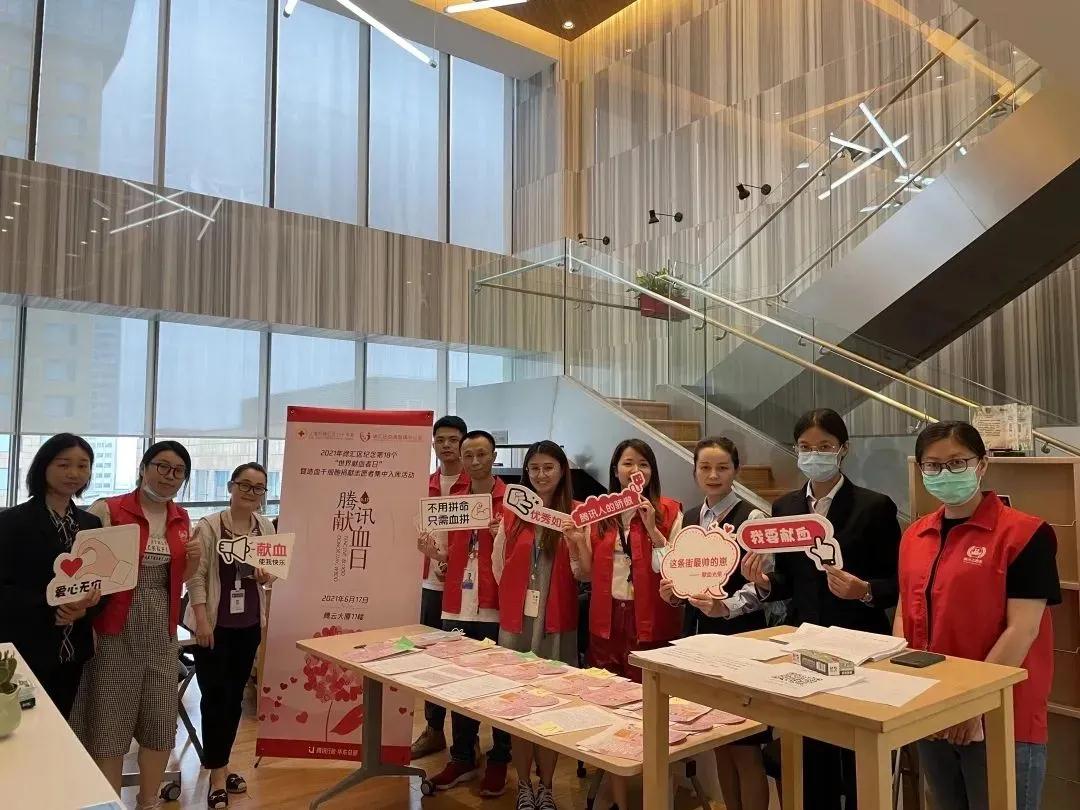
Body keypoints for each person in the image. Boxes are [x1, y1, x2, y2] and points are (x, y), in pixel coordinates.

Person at [742, 408, 900, 810]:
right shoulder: (785, 508)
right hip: (806, 647)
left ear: (843, 449)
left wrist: (864, 590)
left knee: (861, 761)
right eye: (806, 447)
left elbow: (896, 583)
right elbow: (789, 580)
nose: (815, 454)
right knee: (812, 756)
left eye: (825, 446)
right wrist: (765, 583)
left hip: (861, 648)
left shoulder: (874, 506)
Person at [897, 421, 1059, 810]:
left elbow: (1023, 630)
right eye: (932, 465)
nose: (944, 473)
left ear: (982, 464)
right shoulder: (915, 535)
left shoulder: (1025, 534)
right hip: (932, 709)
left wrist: (975, 704)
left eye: (957, 463)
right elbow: (905, 615)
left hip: (1001, 713)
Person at [70, 441, 198, 810]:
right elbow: (86, 570)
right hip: (114, 627)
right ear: (143, 467)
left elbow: (180, 578)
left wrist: (194, 561)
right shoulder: (109, 509)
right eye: (162, 466)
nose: (170, 476)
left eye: (178, 471)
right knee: (109, 721)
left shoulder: (181, 518)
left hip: (162, 628)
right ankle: (110, 804)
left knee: (160, 721)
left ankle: (149, 802)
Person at [659, 437, 771, 810]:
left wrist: (727, 607)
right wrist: (673, 593)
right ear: (694, 471)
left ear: (736, 471)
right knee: (719, 739)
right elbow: (682, 575)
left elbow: (763, 586)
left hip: (741, 638)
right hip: (700, 639)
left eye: (722, 467)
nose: (713, 475)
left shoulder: (753, 519)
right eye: (705, 467)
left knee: (746, 746)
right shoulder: (689, 519)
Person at [573, 439, 683, 810]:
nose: (635, 470)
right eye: (627, 463)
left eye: (643, 464)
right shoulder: (599, 513)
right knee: (609, 704)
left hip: (652, 621)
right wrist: (576, 542)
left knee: (652, 709)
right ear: (615, 470)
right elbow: (586, 572)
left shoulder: (670, 510)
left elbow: (674, 569)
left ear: (653, 471)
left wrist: (652, 528)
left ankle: (656, 790)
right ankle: (616, 794)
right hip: (605, 621)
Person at [493, 441, 588, 810]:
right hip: (518, 623)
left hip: (557, 621)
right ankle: (523, 785)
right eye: (534, 468)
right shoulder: (513, 514)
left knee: (552, 705)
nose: (541, 474)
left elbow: (585, 573)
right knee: (517, 707)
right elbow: (498, 565)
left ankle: (546, 786)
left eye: (549, 467)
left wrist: (576, 543)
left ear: (562, 470)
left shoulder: (577, 514)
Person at [423, 431, 512, 797]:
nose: (475, 461)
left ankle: (500, 756)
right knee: (458, 684)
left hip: (496, 605)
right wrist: (433, 553)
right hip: (456, 603)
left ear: (493, 456)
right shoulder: (454, 499)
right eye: (468, 455)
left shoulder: (510, 500)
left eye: (481, 454)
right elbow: (445, 553)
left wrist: (503, 534)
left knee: (501, 685)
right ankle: (462, 755)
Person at [186, 463, 276, 809]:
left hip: (249, 624)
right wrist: (201, 620)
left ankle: (221, 764)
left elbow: (271, 574)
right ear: (231, 486)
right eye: (245, 485)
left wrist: (266, 576)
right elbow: (195, 576)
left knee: (235, 697)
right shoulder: (209, 526)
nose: (251, 493)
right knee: (214, 698)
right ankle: (217, 773)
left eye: (258, 488)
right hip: (214, 626)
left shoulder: (265, 526)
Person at [0, 434, 104, 717]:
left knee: (60, 724)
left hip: (73, 651)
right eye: (63, 464)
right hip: (25, 647)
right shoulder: (11, 522)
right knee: (21, 725)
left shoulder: (91, 524)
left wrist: (83, 609)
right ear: (43, 466)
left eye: (83, 466)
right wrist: (53, 606)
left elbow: (102, 582)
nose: (74, 473)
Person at [412, 415, 470, 759]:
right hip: (428, 585)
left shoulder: (474, 486)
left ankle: (467, 741)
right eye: (441, 440)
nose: (446, 445)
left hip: (465, 588)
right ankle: (433, 729)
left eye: (453, 439)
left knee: (461, 664)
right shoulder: (424, 485)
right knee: (429, 663)